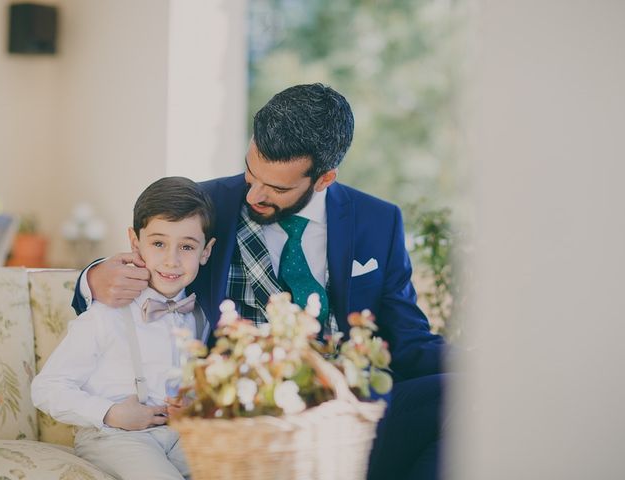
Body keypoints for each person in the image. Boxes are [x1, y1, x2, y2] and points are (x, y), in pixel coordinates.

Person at [72, 83, 450, 479]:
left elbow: (410, 340)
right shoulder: (208, 204)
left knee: (470, 394)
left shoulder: (378, 220)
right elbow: (151, 257)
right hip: (248, 420)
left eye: (277, 187)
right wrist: (93, 277)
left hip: (350, 414)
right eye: (252, 172)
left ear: (324, 178)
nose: (254, 193)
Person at [33, 176, 216, 480]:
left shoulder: (202, 316)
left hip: (180, 435)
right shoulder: (105, 314)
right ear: (135, 243)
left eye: (186, 246)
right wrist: (110, 413)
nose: (171, 261)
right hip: (115, 436)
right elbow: (46, 388)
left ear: (206, 252)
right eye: (158, 243)